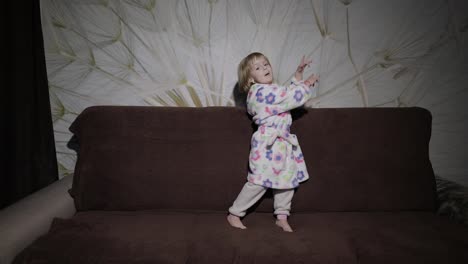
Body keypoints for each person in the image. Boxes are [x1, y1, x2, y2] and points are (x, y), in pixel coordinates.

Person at [227, 52, 319, 232]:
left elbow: (285, 97)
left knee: (287, 179)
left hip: (282, 144)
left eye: (266, 64)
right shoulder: (260, 93)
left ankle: (282, 216)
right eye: (258, 67)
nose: (265, 68)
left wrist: (298, 73)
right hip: (267, 144)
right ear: (250, 79)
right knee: (259, 180)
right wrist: (306, 83)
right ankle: (234, 214)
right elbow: (289, 97)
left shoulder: (273, 91)